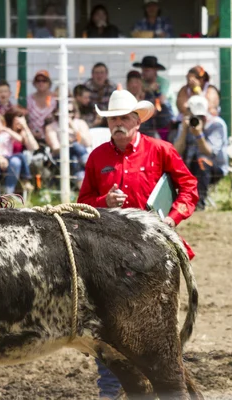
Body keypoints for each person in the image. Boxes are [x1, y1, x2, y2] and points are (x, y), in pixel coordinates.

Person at [78, 90, 198, 399]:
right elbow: (82, 204)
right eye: (113, 119)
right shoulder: (97, 157)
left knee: (155, 328)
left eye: (124, 118)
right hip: (110, 258)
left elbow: (189, 188)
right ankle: (113, 389)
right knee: (107, 325)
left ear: (137, 121)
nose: (118, 124)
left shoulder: (161, 150)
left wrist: (172, 218)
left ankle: (166, 386)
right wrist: (103, 201)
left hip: (153, 256)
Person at [173, 96, 228, 210]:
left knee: (202, 161)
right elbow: (175, 153)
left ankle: (199, 203)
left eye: (201, 116)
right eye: (195, 116)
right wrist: (184, 131)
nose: (198, 120)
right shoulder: (184, 125)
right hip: (189, 166)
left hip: (214, 168)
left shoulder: (216, 124)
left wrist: (199, 134)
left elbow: (209, 152)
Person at [44, 99, 91, 189]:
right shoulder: (51, 127)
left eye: (70, 112)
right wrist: (68, 143)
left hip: (77, 158)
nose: (67, 115)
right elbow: (55, 148)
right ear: (57, 111)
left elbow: (87, 143)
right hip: (60, 157)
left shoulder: (80, 123)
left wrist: (73, 128)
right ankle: (88, 165)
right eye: (64, 112)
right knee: (75, 146)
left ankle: (80, 188)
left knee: (74, 156)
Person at [27, 69, 57, 141]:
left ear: (49, 83)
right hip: (33, 135)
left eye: (44, 81)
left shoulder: (55, 98)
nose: (41, 83)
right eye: (38, 81)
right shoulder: (29, 99)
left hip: (52, 134)